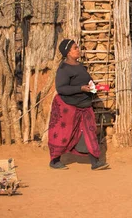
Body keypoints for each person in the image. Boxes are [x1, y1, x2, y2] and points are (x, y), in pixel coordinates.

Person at [48, 39, 109, 170]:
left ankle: (95, 162)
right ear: (68, 53)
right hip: (68, 107)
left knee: (89, 132)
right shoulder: (63, 69)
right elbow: (61, 89)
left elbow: (87, 81)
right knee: (64, 134)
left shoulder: (80, 66)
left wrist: (94, 87)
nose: (78, 50)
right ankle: (54, 161)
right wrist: (80, 88)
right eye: (75, 48)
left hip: (84, 106)